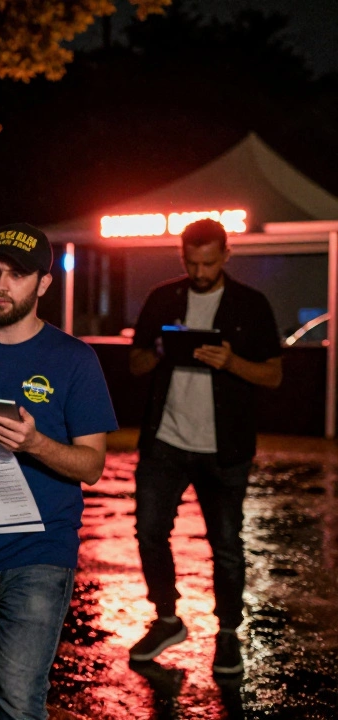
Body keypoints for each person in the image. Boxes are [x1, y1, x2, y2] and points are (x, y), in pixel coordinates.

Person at [0, 223, 117, 720]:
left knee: (18, 701)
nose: (0, 285)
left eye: (16, 275)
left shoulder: (74, 360)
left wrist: (36, 443)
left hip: (39, 554)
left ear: (42, 284)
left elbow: (93, 465)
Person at [127, 218, 282, 674]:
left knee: (227, 545)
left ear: (226, 255)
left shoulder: (250, 305)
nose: (198, 271)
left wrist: (231, 361)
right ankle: (167, 618)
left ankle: (229, 632)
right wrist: (158, 351)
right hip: (165, 443)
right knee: (149, 533)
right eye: (190, 263)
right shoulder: (163, 298)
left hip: (225, 449)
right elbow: (135, 364)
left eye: (208, 263)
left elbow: (273, 374)